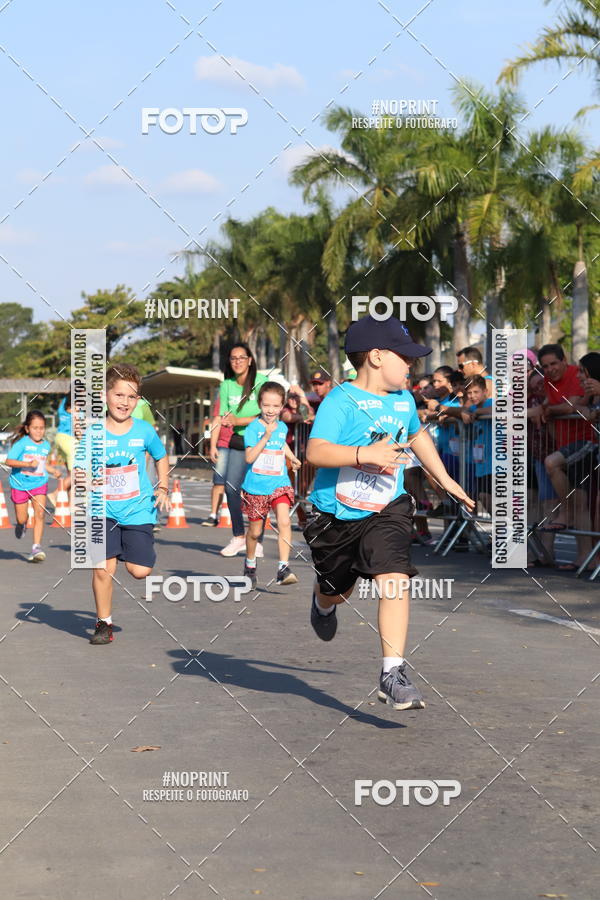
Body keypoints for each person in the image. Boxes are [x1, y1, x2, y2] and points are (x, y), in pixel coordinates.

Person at [303, 315, 474, 711]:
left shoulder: (403, 400)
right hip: (335, 514)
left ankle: (392, 672)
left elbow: (416, 435)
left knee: (395, 576)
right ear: (377, 357)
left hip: (387, 506)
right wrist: (365, 454)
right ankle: (322, 602)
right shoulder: (340, 401)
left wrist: (444, 479)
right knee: (337, 590)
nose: (412, 365)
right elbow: (316, 451)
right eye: (406, 357)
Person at [79, 364, 170, 645]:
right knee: (102, 569)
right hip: (102, 509)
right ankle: (103, 623)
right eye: (119, 395)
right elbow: (80, 466)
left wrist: (163, 487)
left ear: (138, 400)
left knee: (139, 571)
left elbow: (161, 456)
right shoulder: (94, 432)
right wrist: (85, 479)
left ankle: (125, 548)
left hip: (137, 509)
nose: (125, 402)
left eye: (131, 397)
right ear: (105, 395)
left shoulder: (144, 430)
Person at [541, 351, 600, 571]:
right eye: (545, 366)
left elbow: (573, 407)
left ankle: (566, 512)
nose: (579, 377)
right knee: (583, 504)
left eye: (583, 372)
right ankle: (586, 558)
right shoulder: (587, 390)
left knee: (552, 463)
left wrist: (584, 409)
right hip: (575, 447)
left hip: (587, 443)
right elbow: (580, 407)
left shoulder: (586, 383)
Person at [241, 382, 302, 587]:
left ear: (282, 406)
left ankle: (283, 568)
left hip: (279, 482)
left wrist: (292, 457)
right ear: (259, 404)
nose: (270, 410)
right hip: (256, 487)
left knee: (284, 522)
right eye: (266, 405)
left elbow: (281, 443)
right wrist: (265, 436)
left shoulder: (282, 427)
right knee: (255, 532)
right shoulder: (253, 428)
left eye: (276, 406)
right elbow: (249, 458)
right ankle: (250, 564)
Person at [216, 343, 267, 557]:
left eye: (241, 357)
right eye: (233, 358)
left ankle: (257, 540)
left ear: (250, 360)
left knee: (259, 491)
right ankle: (238, 536)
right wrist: (214, 441)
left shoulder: (261, 381)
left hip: (260, 440)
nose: (237, 361)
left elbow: (266, 413)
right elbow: (223, 416)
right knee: (230, 487)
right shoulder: (226, 385)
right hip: (237, 441)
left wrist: (239, 420)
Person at [6, 411, 62, 562]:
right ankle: (22, 524)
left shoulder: (45, 445)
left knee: (40, 514)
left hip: (39, 484)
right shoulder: (22, 444)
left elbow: (41, 464)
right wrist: (27, 464)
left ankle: (36, 547)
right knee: (21, 518)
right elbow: (9, 461)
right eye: (35, 428)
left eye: (41, 428)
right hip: (20, 485)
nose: (39, 431)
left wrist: (52, 470)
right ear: (27, 429)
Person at [460, 375, 493, 514]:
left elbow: (500, 409)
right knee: (481, 496)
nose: (472, 396)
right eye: (469, 393)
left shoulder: (491, 402)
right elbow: (464, 410)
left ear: (485, 391)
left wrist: (478, 412)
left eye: (476, 392)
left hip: (495, 463)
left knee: (487, 496)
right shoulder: (471, 408)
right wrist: (464, 412)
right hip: (480, 465)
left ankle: (504, 524)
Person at [201, 395, 232, 526]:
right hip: (224, 445)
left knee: (243, 483)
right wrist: (213, 446)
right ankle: (213, 515)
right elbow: (217, 421)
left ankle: (248, 516)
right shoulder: (223, 398)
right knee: (219, 482)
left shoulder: (251, 398)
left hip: (244, 445)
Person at [48, 390, 73, 508]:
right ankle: (55, 494)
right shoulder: (77, 404)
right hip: (70, 439)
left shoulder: (63, 402)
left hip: (60, 437)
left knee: (71, 474)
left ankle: (70, 504)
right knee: (79, 473)